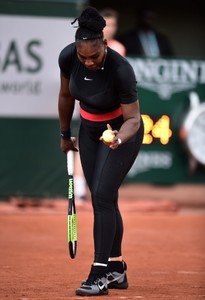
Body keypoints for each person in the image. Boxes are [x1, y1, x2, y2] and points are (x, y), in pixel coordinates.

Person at [58, 6, 144, 297]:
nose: (88, 62)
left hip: (122, 132)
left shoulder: (122, 69)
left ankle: (99, 273)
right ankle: (117, 269)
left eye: (94, 56)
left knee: (103, 196)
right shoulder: (69, 58)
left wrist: (119, 138)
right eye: (83, 57)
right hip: (89, 130)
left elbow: (134, 118)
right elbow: (66, 95)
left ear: (104, 45)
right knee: (102, 196)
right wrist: (64, 134)